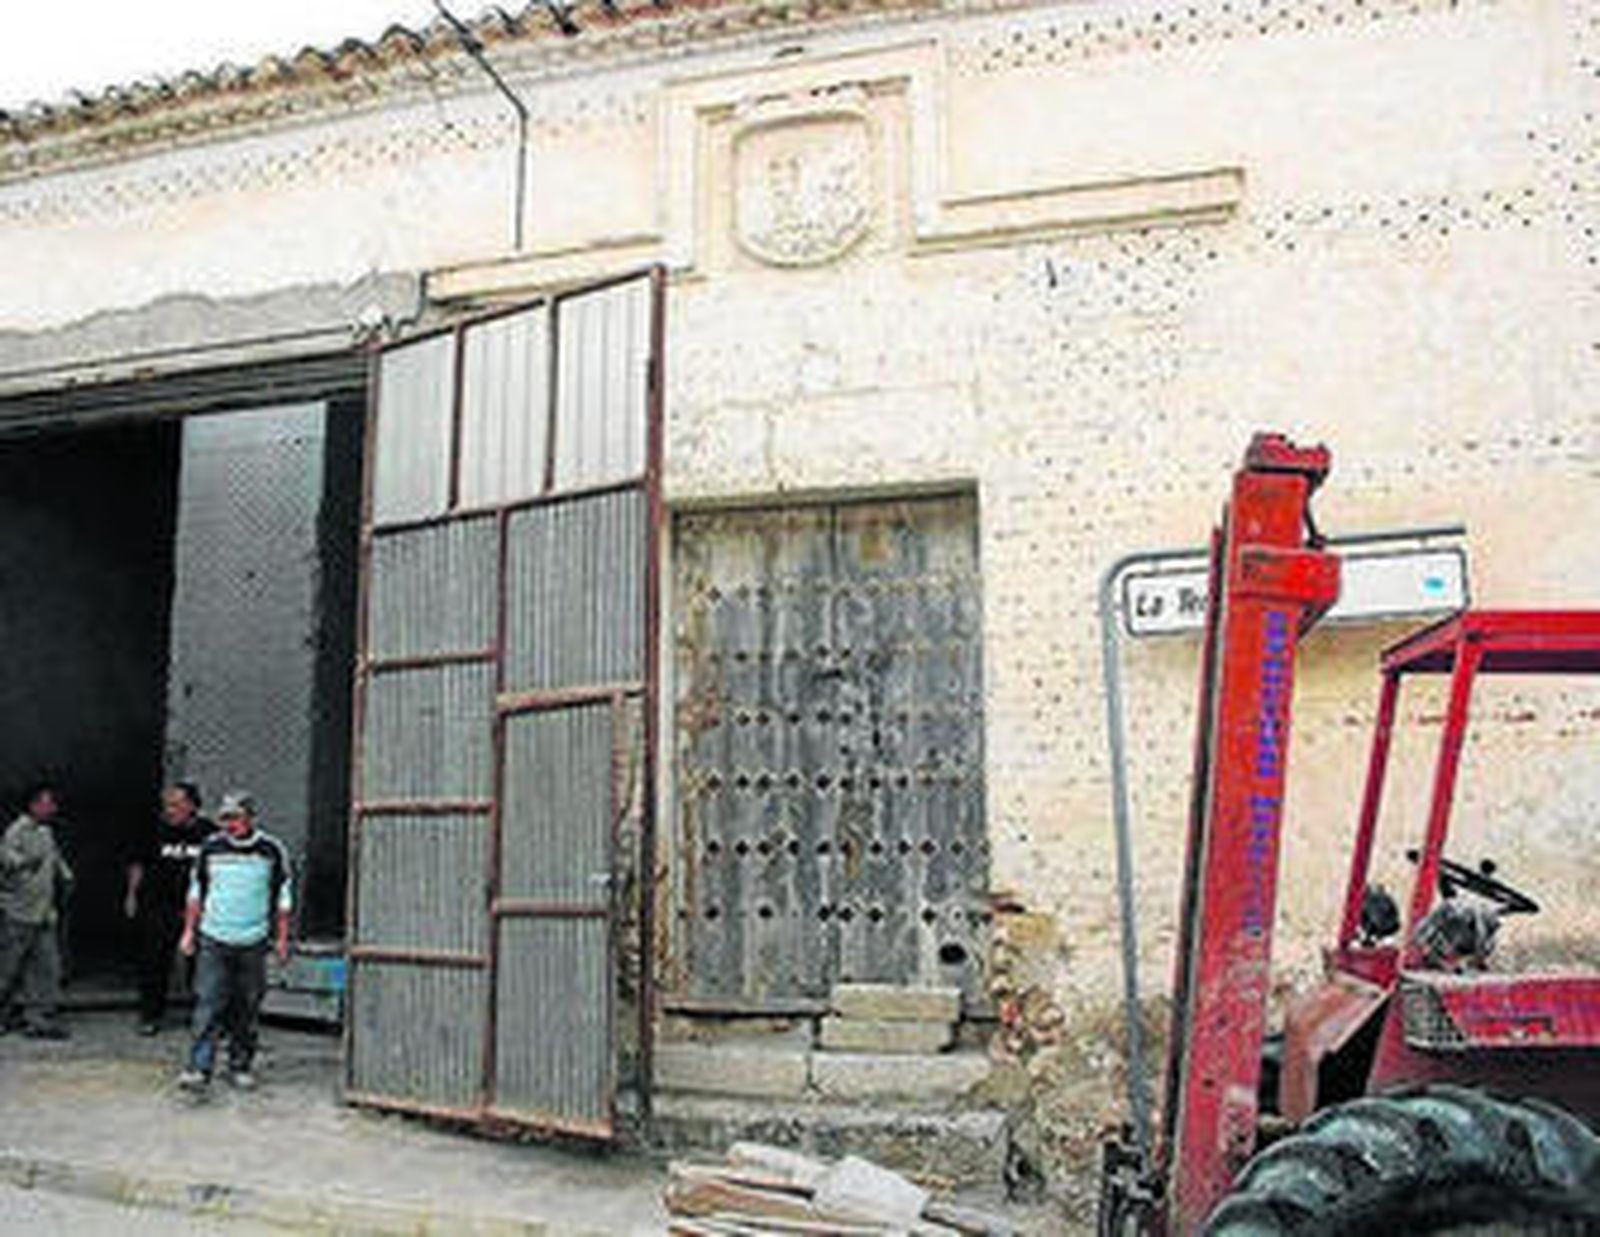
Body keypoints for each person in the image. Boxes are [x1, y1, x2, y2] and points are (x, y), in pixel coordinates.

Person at [177, 791, 292, 1092]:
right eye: (225, 818)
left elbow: (283, 896)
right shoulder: (211, 848)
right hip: (214, 937)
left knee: (247, 1005)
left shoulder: (271, 850)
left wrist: (281, 938)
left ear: (251, 818)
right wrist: (189, 931)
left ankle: (240, 1065)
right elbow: (195, 892)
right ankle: (199, 1067)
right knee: (208, 1002)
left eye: (235, 818)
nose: (229, 824)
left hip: (253, 940)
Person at [124, 782, 215, 1034]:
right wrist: (132, 895)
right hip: (157, 905)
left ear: (192, 806)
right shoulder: (153, 830)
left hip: (197, 907)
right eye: (167, 804)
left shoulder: (209, 833)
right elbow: (137, 864)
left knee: (200, 963)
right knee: (153, 959)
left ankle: (204, 1015)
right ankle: (150, 1016)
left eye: (176, 804)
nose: (170, 809)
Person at [0, 783, 74, 1039]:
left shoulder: (46, 832)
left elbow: (54, 857)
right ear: (33, 805)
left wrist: (66, 875)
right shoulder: (16, 831)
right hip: (19, 911)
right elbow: (6, 860)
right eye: (48, 803)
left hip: (44, 912)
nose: (53, 808)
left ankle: (39, 1018)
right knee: (8, 968)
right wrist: (23, 862)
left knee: (46, 967)